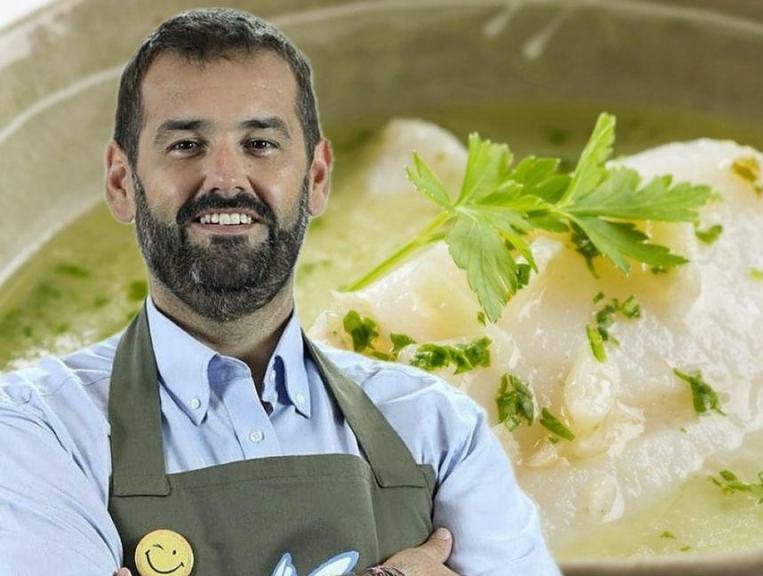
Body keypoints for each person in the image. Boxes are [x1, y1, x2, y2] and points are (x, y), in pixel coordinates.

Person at [0, 7, 560, 576]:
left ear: (316, 178)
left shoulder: (438, 422)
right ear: (122, 182)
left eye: (261, 144)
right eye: (186, 145)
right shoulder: (38, 426)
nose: (224, 178)